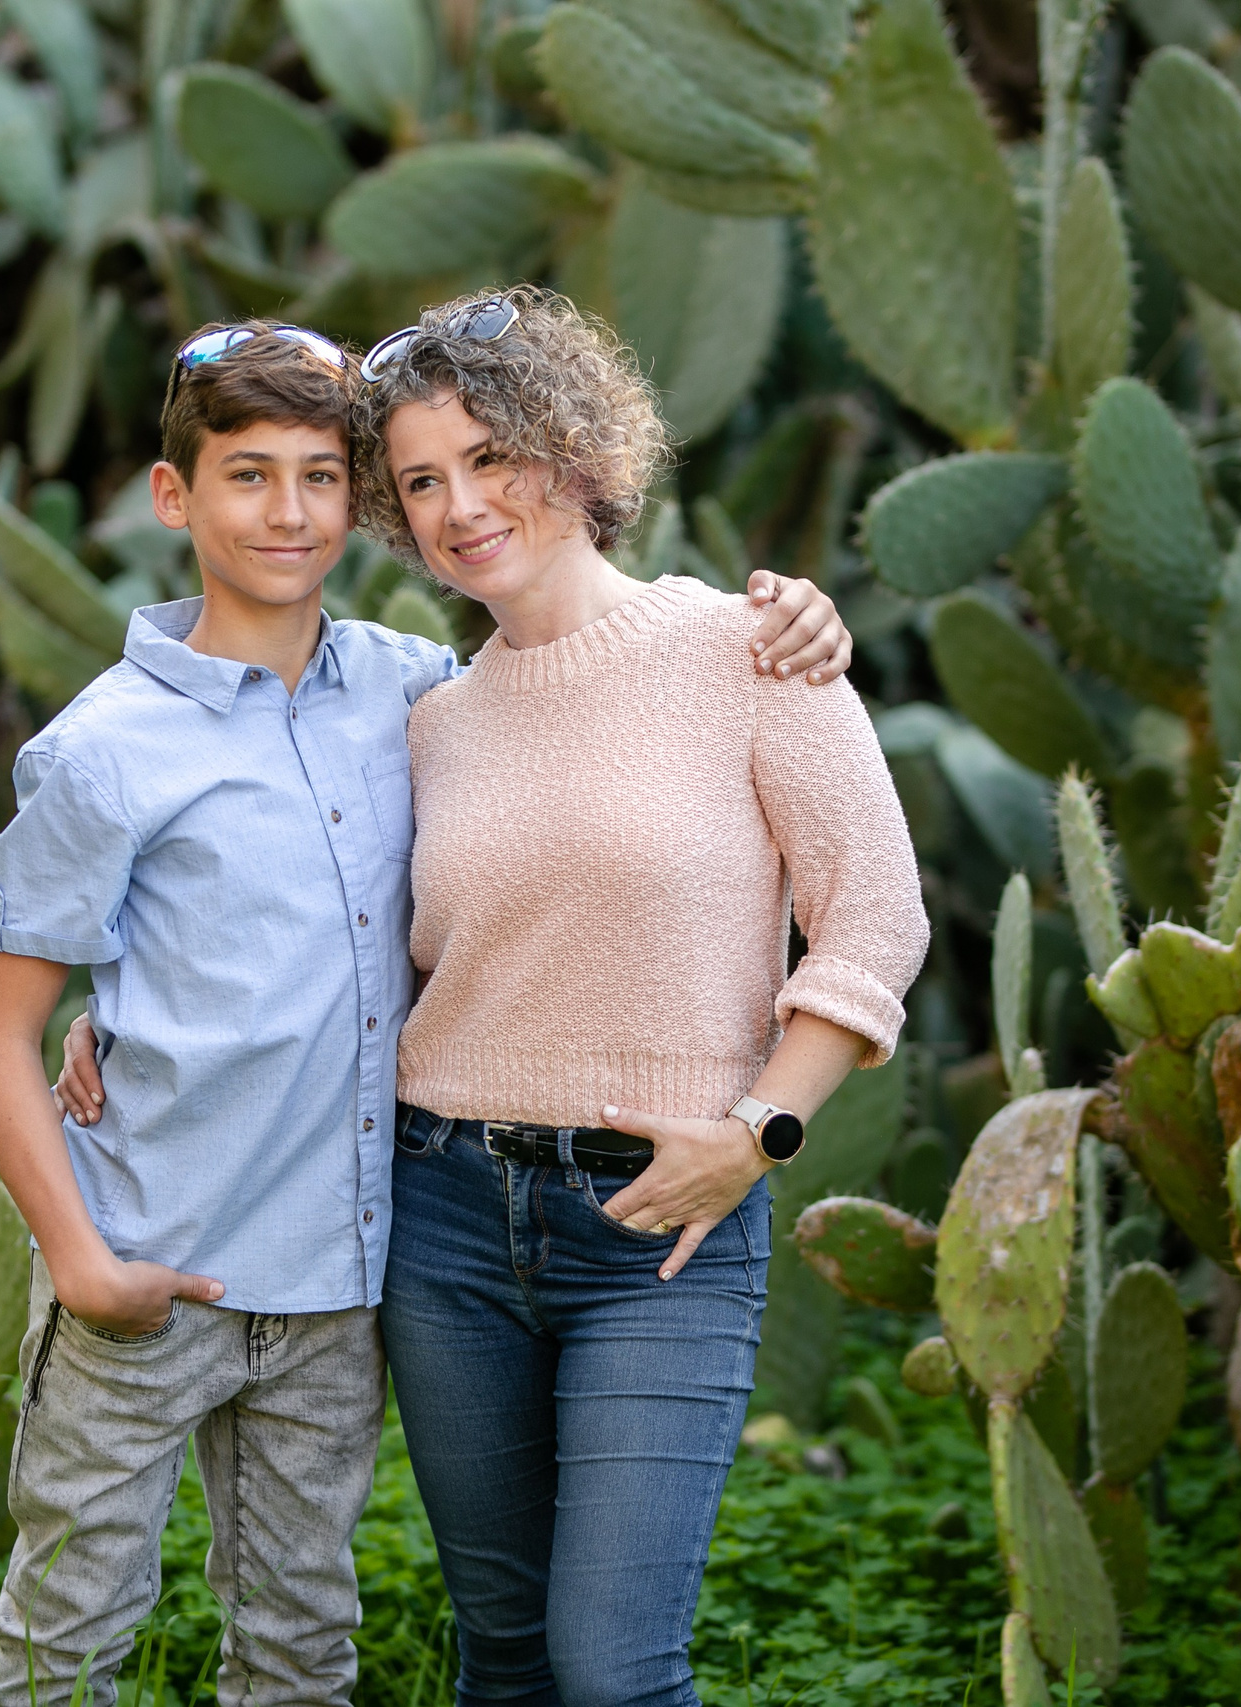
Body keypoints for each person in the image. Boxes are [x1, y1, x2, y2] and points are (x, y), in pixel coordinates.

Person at [0, 319, 852, 1707]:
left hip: (340, 1283)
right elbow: (2, 1024)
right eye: (247, 476)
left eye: (323, 475)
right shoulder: (119, 748)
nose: (291, 511)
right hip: (173, 1258)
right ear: (173, 497)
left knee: (315, 1643)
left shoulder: (414, 692)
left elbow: (499, 882)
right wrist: (83, 1229)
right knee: (73, 1625)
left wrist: (789, 620)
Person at [352, 285, 926, 1707]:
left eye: (490, 458)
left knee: (613, 1673)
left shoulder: (750, 650)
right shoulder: (428, 718)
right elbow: (333, 942)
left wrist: (760, 1133)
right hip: (445, 1221)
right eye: (421, 481)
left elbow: (876, 917)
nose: (460, 506)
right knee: (503, 1662)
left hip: (663, 1232)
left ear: (573, 445)